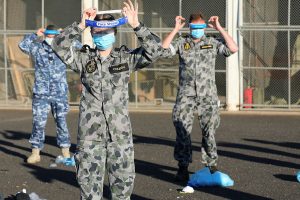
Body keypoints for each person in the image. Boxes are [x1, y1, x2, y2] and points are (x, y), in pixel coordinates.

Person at [51, 0, 162, 199]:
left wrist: (136, 25)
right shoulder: (84, 59)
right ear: (92, 35)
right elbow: (58, 45)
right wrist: (81, 25)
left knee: (122, 193)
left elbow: (155, 50)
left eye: (106, 32)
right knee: (90, 193)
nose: (102, 36)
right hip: (90, 138)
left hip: (119, 137)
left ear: (114, 34)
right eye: (98, 33)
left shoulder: (125, 59)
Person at [161, 13, 238, 181]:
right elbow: (163, 50)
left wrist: (219, 28)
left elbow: (233, 48)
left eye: (200, 28)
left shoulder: (211, 42)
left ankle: (211, 165)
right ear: (189, 27)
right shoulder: (183, 43)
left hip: (207, 96)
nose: (197, 31)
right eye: (194, 28)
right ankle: (182, 166)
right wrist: (175, 29)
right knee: (182, 131)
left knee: (209, 131)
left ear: (204, 28)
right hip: (186, 95)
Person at [19, 25, 72, 164]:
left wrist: (64, 35)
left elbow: (77, 45)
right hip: (41, 94)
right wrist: (34, 34)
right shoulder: (37, 47)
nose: (50, 37)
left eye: (52, 34)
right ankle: (35, 153)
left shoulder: (62, 46)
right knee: (38, 123)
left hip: (59, 93)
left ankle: (66, 153)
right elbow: (22, 45)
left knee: (61, 122)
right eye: (48, 34)